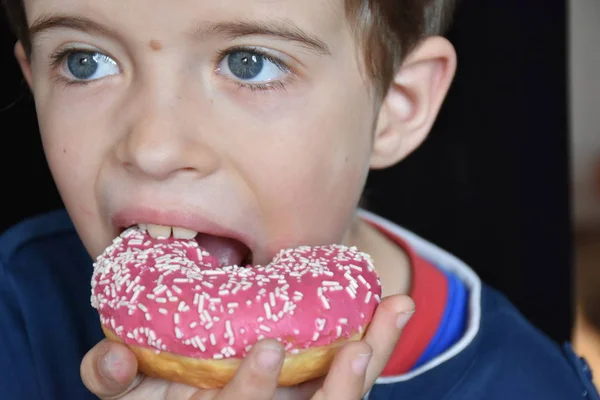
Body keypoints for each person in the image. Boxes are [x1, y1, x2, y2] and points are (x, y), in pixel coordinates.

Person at [0, 0, 596, 398]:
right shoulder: (16, 314)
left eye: (249, 63)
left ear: (395, 107)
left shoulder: (528, 385)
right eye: (85, 61)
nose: (153, 148)